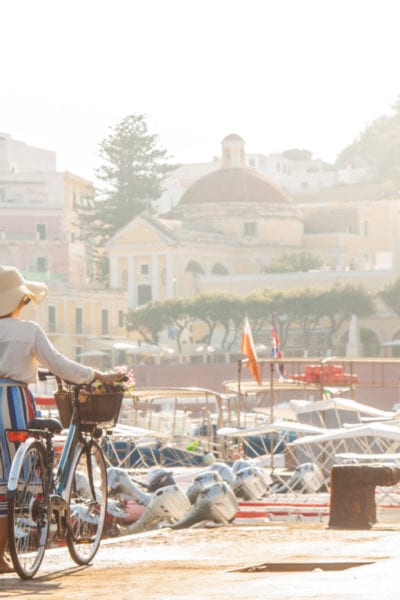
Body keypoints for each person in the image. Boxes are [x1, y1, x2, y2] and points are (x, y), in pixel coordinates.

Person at [0, 265, 124, 574]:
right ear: (20, 301)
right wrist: (97, 375)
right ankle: (1, 554)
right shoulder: (28, 331)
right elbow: (60, 365)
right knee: (17, 480)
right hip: (12, 402)